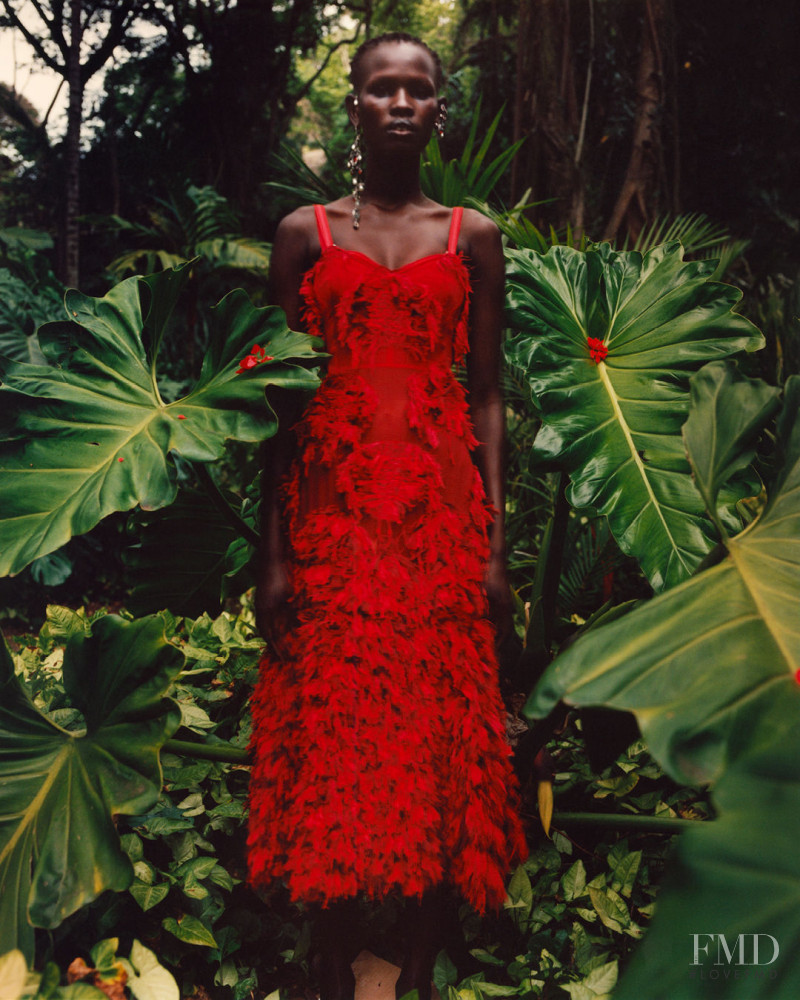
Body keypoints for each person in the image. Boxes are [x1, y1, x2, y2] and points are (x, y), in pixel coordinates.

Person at [247, 32, 527, 1000]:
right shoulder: (302, 234)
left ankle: (413, 966)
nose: (399, 103)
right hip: (332, 508)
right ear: (354, 108)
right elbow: (274, 402)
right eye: (380, 89)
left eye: (417, 89)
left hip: (440, 512)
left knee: (439, 722)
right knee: (328, 720)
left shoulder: (473, 236)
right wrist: (271, 550)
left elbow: (486, 392)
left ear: (436, 111)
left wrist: (492, 539)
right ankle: (324, 957)